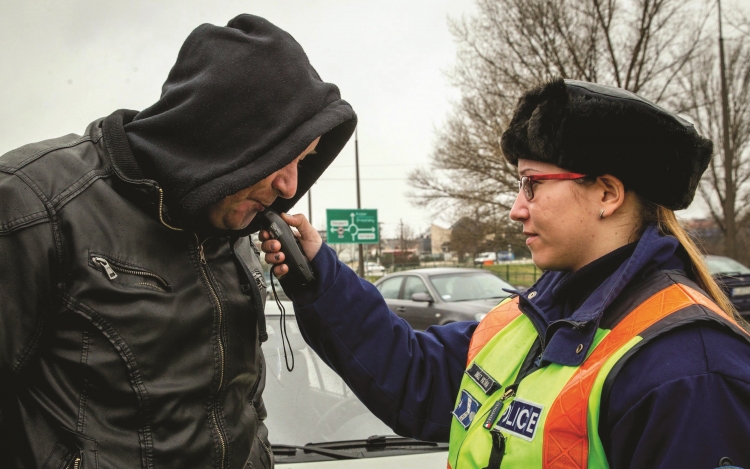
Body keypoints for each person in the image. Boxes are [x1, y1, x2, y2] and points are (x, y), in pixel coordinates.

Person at [262, 79, 750, 468]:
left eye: (533, 185)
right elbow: (416, 377)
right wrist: (318, 274)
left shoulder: (690, 370)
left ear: (607, 193)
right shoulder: (531, 316)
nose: (517, 209)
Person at [0, 14, 356, 469]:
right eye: (283, 157)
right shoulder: (35, 206)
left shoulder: (235, 226)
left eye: (304, 161)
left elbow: (246, 404)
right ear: (227, 133)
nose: (291, 185)